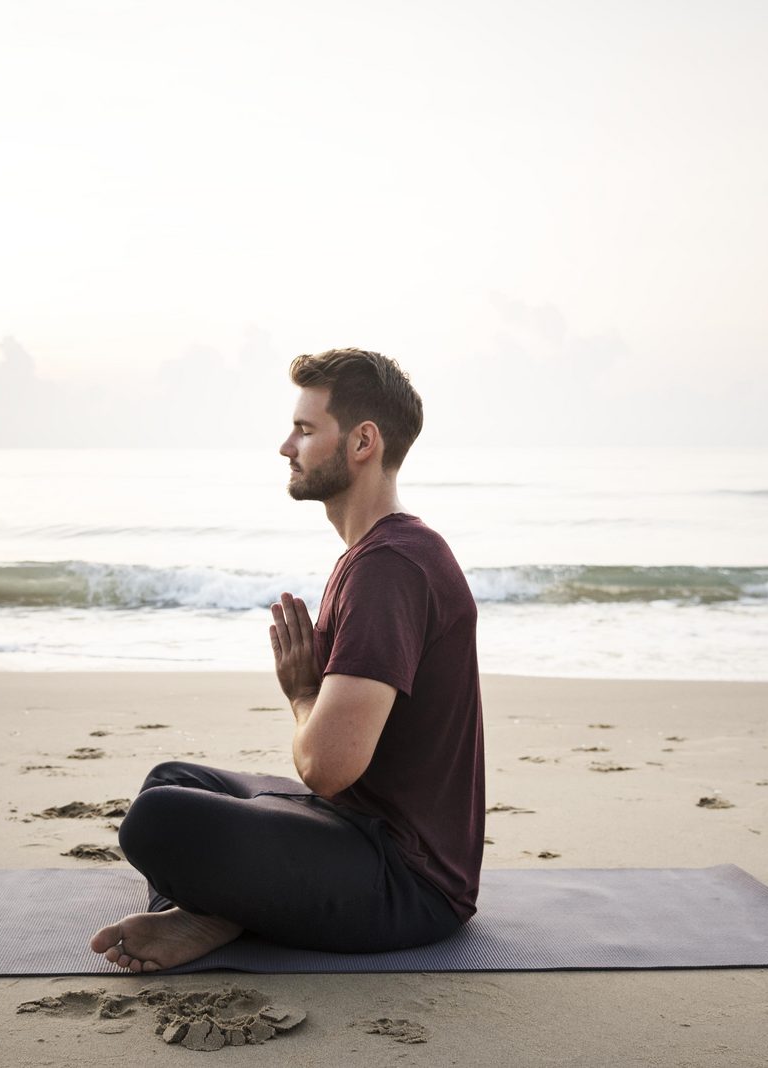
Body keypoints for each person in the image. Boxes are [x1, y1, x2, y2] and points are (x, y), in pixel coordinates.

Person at [89, 347, 485, 972]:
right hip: (355, 830)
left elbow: (327, 768)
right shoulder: (380, 553)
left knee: (158, 822)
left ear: (362, 442)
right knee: (171, 781)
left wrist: (302, 694)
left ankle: (214, 912)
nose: (286, 446)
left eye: (305, 430)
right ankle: (211, 913)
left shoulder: (390, 567)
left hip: (407, 881)